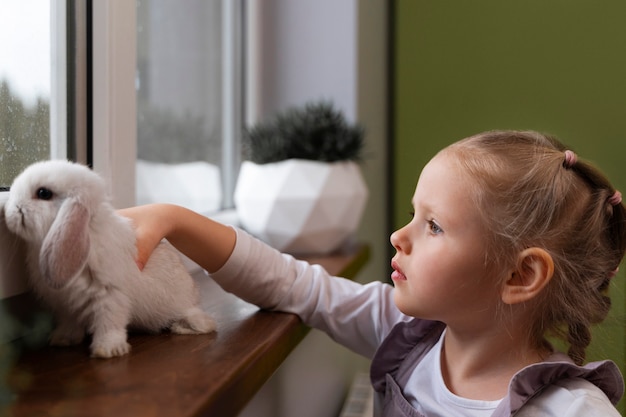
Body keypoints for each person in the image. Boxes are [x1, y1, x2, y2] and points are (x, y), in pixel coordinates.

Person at [120, 130, 625, 416]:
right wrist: (177, 221)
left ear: (520, 276)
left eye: (433, 225)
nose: (398, 237)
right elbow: (295, 284)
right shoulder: (408, 334)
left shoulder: (574, 412)